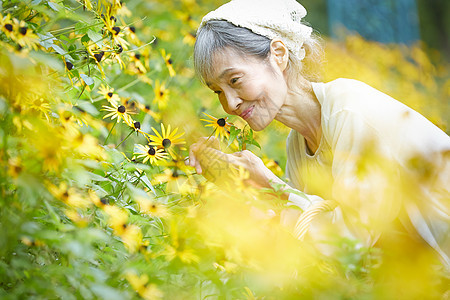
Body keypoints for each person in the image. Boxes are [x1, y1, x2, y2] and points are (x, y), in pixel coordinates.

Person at [188, 0, 450, 267]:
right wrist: (235, 180)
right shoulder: (298, 143)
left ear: (278, 54)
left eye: (235, 80)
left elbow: (348, 242)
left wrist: (268, 181)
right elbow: (309, 238)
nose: (229, 104)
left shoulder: (350, 111)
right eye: (218, 91)